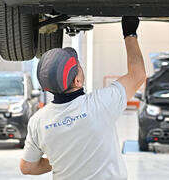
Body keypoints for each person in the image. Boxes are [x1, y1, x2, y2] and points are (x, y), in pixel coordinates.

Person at [19, 16, 146, 179]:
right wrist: (130, 33)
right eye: (78, 66)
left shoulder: (38, 121)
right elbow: (138, 75)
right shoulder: (100, 104)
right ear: (78, 81)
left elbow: (27, 167)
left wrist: (64, 158)